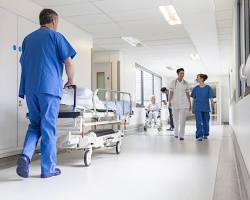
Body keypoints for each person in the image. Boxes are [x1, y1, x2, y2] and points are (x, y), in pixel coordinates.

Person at [16, 9, 76, 178]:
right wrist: (70, 80)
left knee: (35, 125)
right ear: (54, 22)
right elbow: (69, 63)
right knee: (48, 127)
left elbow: (25, 63)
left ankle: (25, 156)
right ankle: (48, 169)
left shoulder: (27, 39)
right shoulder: (56, 37)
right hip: (49, 89)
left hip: (30, 89)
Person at [169, 68, 191, 140]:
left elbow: (188, 93)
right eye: (181, 73)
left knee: (182, 120)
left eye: (183, 73)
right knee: (175, 119)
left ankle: (181, 135)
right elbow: (171, 93)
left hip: (184, 103)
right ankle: (175, 133)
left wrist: (189, 103)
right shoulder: (173, 82)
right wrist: (169, 102)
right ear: (177, 74)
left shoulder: (186, 83)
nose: (182, 74)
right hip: (175, 103)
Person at [191, 74, 213, 141]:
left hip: (206, 108)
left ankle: (205, 134)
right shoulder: (195, 88)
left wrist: (212, 106)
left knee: (206, 122)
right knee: (198, 122)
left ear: (202, 79)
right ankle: (199, 135)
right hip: (197, 107)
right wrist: (192, 107)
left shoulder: (208, 88)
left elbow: (211, 98)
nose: (196, 79)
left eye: (198, 77)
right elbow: (193, 99)